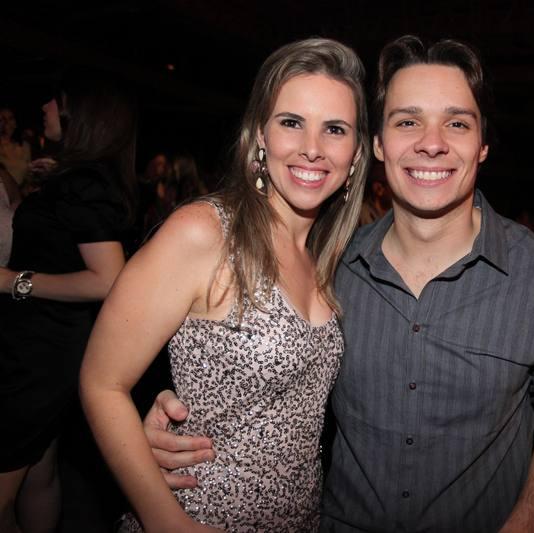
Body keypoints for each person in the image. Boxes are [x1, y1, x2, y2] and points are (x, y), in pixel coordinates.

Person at [143, 35, 534, 532]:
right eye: (407, 121)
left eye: (457, 123)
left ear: (483, 144)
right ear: (378, 145)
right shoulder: (328, 265)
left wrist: (525, 524)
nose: (432, 142)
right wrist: (184, 413)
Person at [79, 38, 369, 531]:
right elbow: (101, 382)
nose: (312, 148)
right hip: (197, 515)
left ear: (356, 154)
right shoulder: (206, 233)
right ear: (260, 136)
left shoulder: (329, 255)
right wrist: (166, 522)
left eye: (334, 129)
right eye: (291, 122)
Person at [0, 70, 137, 532]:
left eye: (55, 101)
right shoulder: (81, 180)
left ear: (82, 115)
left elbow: (108, 280)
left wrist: (12, 281)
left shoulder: (85, 183)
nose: (45, 108)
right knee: (39, 469)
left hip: (39, 351)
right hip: (49, 343)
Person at [0, 107, 32, 186]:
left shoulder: (25, 146)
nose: (6, 122)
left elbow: (29, 176)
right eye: (2, 119)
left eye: (10, 118)